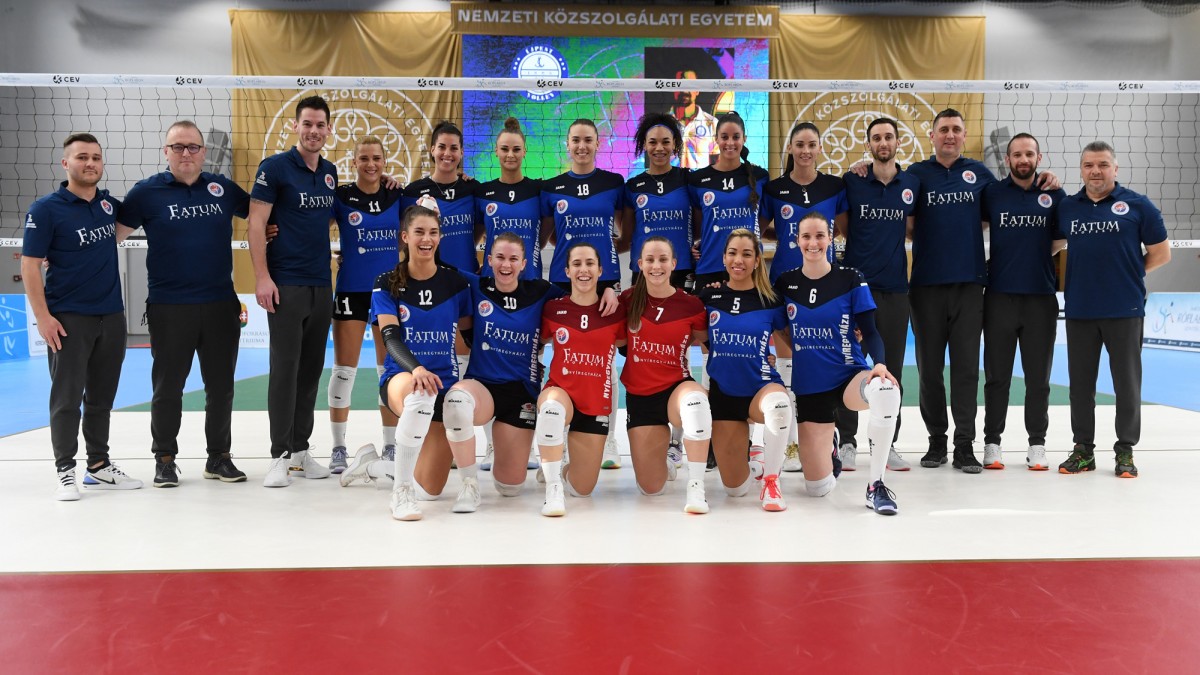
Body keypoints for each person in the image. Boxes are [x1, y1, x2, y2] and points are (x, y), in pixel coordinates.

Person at [902, 108, 1059, 473]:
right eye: (944, 129)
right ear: (932, 135)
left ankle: (964, 445)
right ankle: (936, 442)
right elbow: (907, 223)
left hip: (970, 286)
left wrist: (1045, 179)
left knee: (967, 370)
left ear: (964, 135)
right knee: (929, 371)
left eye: (956, 129)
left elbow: (1007, 203)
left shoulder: (981, 175)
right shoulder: (916, 174)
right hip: (926, 286)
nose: (950, 135)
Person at [117, 120, 250, 487]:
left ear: (203, 152)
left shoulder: (222, 189)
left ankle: (219, 457)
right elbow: (111, 236)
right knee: (168, 387)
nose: (186, 153)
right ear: (166, 152)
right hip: (169, 306)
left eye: (192, 146)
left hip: (220, 304)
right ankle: (164, 459)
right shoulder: (146, 193)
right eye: (178, 147)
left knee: (221, 387)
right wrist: (61, 254)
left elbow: (262, 215)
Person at [22, 132, 142, 500]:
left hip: (112, 316)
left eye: (95, 157)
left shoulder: (109, 206)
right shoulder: (45, 209)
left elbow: (135, 221)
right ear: (65, 163)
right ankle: (65, 471)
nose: (90, 163)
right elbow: (29, 266)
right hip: (69, 318)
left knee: (102, 398)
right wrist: (43, 317)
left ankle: (98, 466)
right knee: (67, 398)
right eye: (82, 157)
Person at [339, 204, 473, 520]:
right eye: (419, 232)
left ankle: (372, 465)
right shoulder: (387, 282)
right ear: (405, 237)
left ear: (440, 237)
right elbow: (390, 338)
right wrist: (417, 369)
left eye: (433, 232)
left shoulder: (456, 284)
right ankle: (400, 494)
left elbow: (470, 335)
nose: (427, 239)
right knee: (420, 394)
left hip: (444, 383)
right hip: (402, 377)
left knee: (431, 490)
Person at [774, 212, 903, 515]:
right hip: (810, 387)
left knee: (885, 390)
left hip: (848, 376)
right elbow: (777, 326)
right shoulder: (785, 283)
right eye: (807, 236)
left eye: (820, 235)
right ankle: (831, 446)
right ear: (797, 241)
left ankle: (876, 485)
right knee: (817, 488)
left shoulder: (850, 278)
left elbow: (870, 331)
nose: (813, 242)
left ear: (831, 239)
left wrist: (880, 364)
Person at [1056, 141, 1170, 478]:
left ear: (1115, 169)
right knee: (1080, 387)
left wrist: (1131, 273)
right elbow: (1051, 244)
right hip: (1080, 310)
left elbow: (1161, 253)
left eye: (1103, 165)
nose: (1096, 171)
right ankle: (1083, 450)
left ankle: (1125, 451)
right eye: (1089, 165)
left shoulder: (1138, 205)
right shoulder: (1067, 207)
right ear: (1081, 170)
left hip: (1125, 308)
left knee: (1127, 385)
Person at [439, 233, 567, 508]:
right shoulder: (477, 285)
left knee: (510, 488)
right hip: (482, 386)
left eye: (513, 259)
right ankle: (469, 485)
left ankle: (517, 449)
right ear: (489, 260)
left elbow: (581, 295)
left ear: (523, 264)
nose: (505, 265)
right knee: (456, 401)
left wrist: (608, 290)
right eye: (499, 258)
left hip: (521, 392)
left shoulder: (541, 291)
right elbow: (436, 265)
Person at [248, 95, 337, 487]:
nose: (313, 131)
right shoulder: (275, 168)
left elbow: (331, 216)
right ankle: (278, 456)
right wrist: (262, 277)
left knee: (311, 370)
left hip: (321, 283)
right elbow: (255, 223)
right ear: (295, 126)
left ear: (329, 130)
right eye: (307, 124)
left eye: (320, 125)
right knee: (285, 369)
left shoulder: (330, 172)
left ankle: (300, 451)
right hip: (285, 283)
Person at [760, 122, 848, 472]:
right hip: (784, 285)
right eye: (800, 144)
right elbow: (759, 230)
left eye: (812, 144)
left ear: (820, 148)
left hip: (826, 286)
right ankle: (791, 442)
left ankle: (828, 437)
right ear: (790, 148)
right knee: (787, 362)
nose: (806, 150)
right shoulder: (774, 189)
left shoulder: (834, 186)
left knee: (821, 361)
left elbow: (843, 230)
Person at [541, 118, 627, 469]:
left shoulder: (613, 183)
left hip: (604, 282)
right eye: (575, 140)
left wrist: (609, 284)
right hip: (564, 282)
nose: (581, 146)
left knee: (604, 360)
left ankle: (609, 440)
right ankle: (557, 440)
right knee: (564, 360)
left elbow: (624, 231)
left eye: (588, 140)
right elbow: (548, 235)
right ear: (567, 144)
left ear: (597, 143)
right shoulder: (552, 188)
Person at [979, 133, 1067, 471]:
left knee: (1038, 380)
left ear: (1038, 158)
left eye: (1029, 154)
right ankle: (992, 443)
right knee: (997, 377)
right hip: (999, 297)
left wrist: (1033, 256)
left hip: (1040, 299)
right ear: (1008, 160)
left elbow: (1059, 241)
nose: (1023, 159)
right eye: (1017, 154)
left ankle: (1037, 444)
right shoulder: (993, 193)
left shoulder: (1054, 194)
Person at [838, 117, 919, 474]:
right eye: (876, 138)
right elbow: (844, 228)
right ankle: (847, 443)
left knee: (891, 369)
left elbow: (912, 228)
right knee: (850, 366)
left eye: (888, 137)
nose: (883, 143)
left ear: (898, 143)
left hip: (896, 290)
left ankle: (888, 445)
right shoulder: (853, 181)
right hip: (856, 290)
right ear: (869, 144)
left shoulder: (911, 183)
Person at [697, 229, 793, 511]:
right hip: (724, 396)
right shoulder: (709, 296)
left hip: (760, 387)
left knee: (778, 405)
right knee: (735, 490)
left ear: (757, 260)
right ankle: (756, 458)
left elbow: (795, 340)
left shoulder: (771, 300)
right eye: (733, 253)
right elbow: (698, 337)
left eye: (746, 254)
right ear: (724, 257)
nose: (738, 260)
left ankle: (772, 480)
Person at [325, 136, 403, 474]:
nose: (371, 164)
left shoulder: (397, 195)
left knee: (389, 371)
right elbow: (312, 225)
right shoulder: (341, 197)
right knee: (344, 371)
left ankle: (390, 445)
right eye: (364, 158)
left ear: (385, 162)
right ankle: (338, 448)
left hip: (388, 292)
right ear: (353, 162)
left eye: (376, 158)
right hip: (351, 292)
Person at [619, 237, 712, 514]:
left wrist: (761, 357)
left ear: (673, 264)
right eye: (650, 260)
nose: (656, 266)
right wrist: (609, 293)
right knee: (651, 488)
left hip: (676, 388)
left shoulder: (691, 305)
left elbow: (713, 346)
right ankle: (666, 456)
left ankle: (696, 485)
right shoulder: (627, 300)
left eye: (662, 260)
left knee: (696, 402)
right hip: (641, 397)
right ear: (640, 264)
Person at [623, 113, 694, 468]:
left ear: (676, 146)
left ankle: (677, 440)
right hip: (645, 278)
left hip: (680, 275)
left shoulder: (688, 180)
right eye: (653, 142)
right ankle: (645, 419)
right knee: (645, 351)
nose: (659, 148)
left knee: (680, 354)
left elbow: (702, 224)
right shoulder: (633, 186)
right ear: (643, 146)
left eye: (666, 141)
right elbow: (626, 235)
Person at [536, 242, 628, 517]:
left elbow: (624, 340)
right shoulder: (553, 309)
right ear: (567, 271)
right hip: (560, 391)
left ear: (600, 270)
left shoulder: (616, 311)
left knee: (582, 489)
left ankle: (561, 466)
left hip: (594, 403)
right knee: (552, 409)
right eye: (576, 264)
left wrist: (612, 290)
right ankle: (553, 485)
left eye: (590, 264)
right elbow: (539, 343)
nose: (583, 270)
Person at [475, 117, 545, 473]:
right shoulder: (483, 193)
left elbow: (545, 234)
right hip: (492, 290)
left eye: (516, 149)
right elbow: (476, 236)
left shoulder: (539, 191)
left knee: (529, 360)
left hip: (530, 287)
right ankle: (490, 446)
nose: (510, 154)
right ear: (496, 151)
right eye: (504, 149)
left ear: (525, 151)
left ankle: (525, 443)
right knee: (490, 362)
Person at [402, 121, 482, 274]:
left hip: (466, 275)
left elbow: (481, 225)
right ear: (432, 150)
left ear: (462, 152)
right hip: (427, 277)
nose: (447, 153)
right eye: (442, 147)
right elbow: (402, 237)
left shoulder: (473, 189)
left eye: (454, 148)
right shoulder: (412, 192)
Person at [671, 70, 719, 169]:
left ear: (697, 90)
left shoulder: (712, 123)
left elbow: (717, 161)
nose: (684, 91)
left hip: (700, 178)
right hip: (671, 179)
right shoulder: (662, 123)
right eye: (679, 85)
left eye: (689, 85)